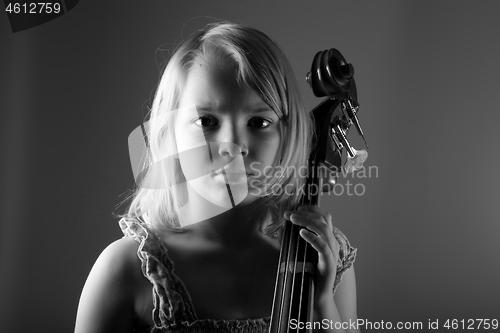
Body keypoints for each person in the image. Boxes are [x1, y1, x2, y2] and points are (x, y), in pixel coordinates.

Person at [75, 22, 360, 333]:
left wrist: (321, 304)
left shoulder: (324, 255)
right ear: (169, 133)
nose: (234, 146)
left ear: (288, 134)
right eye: (207, 121)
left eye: (258, 122)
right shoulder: (127, 269)